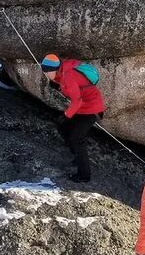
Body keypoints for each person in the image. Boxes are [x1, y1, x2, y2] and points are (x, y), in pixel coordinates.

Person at [40, 53, 105, 183]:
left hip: (91, 109)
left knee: (77, 139)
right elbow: (74, 86)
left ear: (55, 69)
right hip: (83, 108)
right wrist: (58, 85)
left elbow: (77, 101)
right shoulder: (64, 69)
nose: (47, 75)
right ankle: (77, 154)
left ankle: (84, 176)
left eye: (48, 72)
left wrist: (65, 116)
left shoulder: (69, 75)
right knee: (63, 127)